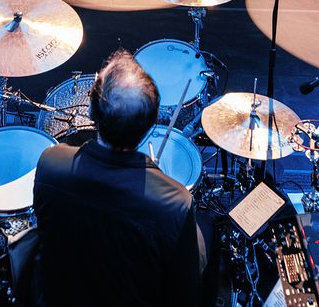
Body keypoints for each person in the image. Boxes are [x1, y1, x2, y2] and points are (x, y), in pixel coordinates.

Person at [33, 49, 205, 306]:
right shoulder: (174, 204)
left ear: (91, 113)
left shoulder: (51, 163)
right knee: (206, 235)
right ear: (150, 126)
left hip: (60, 296)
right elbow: (184, 294)